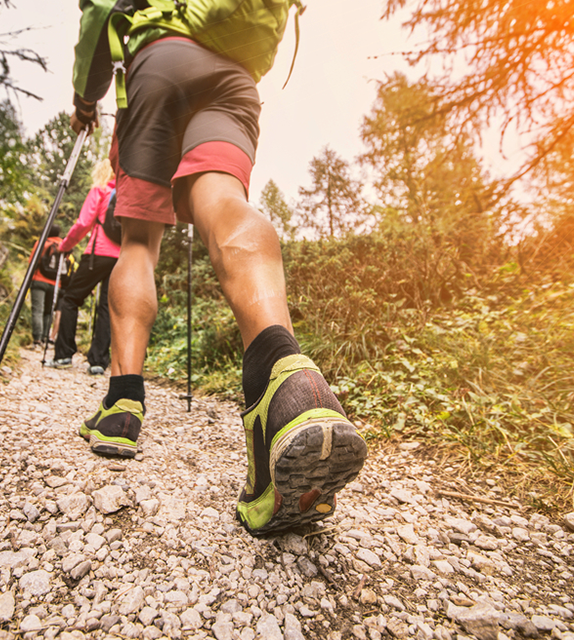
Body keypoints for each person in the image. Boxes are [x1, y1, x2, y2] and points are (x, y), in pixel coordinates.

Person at [69, 1, 368, 536]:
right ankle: (288, 375)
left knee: (138, 242)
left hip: (159, 63)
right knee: (225, 201)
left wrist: (83, 98)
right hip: (233, 75)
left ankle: (122, 404)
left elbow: (98, 17)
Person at [50, 159, 120, 375]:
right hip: (121, 257)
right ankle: (98, 361)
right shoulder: (125, 194)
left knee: (71, 298)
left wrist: (64, 246)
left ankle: (63, 354)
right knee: (107, 307)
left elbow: (83, 224)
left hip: (96, 255)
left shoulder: (100, 190)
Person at [27, 224, 67, 349]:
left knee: (37, 310)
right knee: (48, 312)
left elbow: (33, 260)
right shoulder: (64, 245)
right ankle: (45, 338)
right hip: (55, 284)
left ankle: (37, 340)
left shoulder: (42, 242)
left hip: (39, 280)